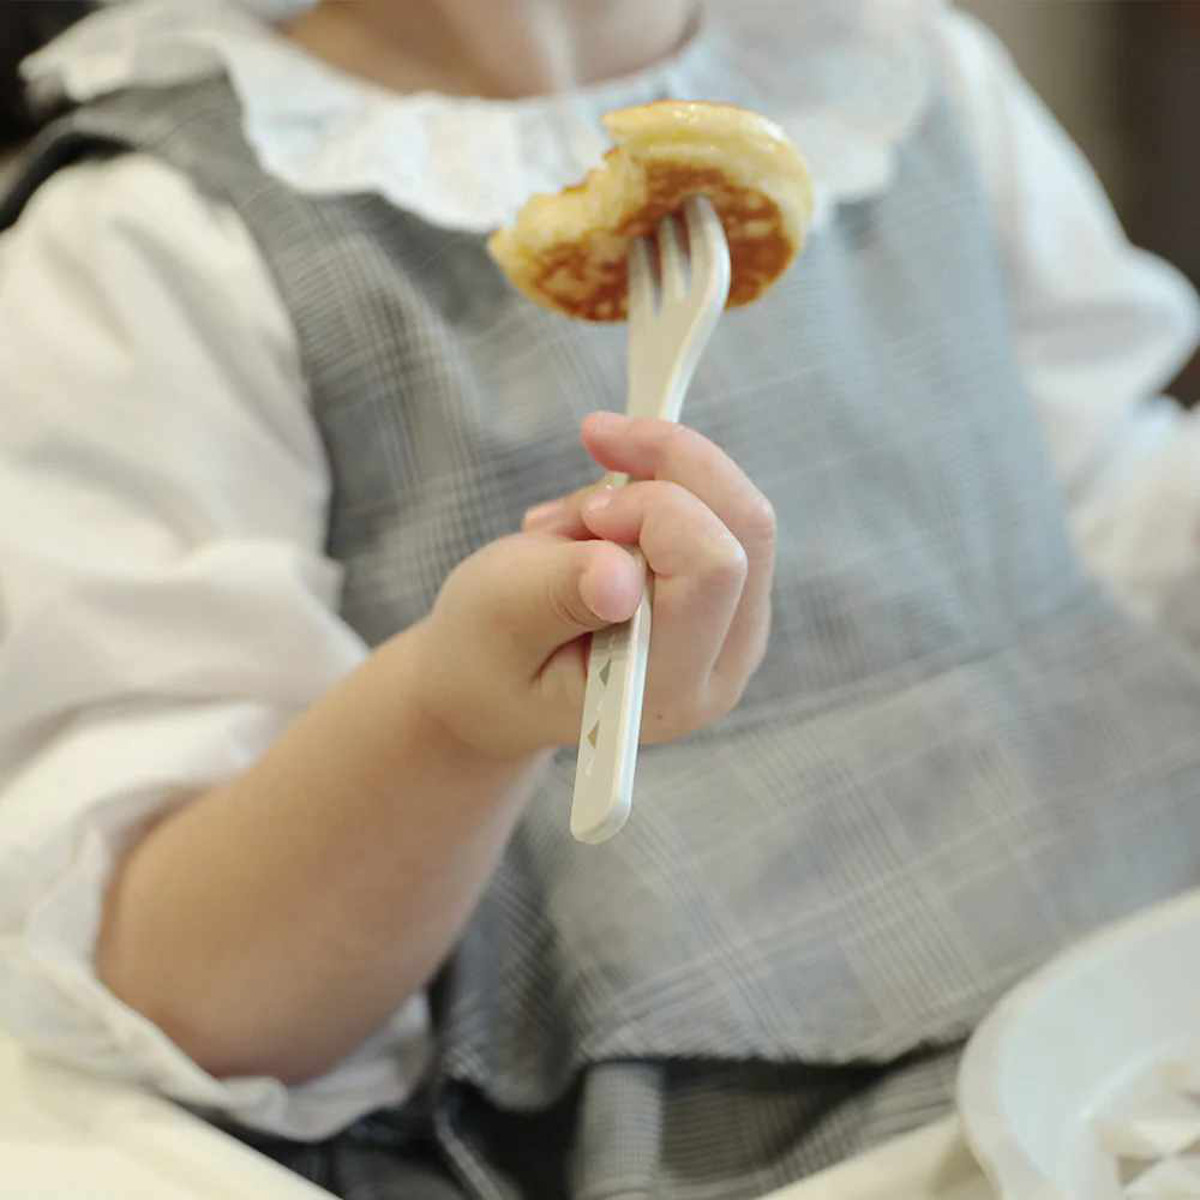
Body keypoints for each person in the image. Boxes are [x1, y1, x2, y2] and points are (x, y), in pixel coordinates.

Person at [3, 0, 1200, 1195]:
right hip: (779, 1127)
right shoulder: (157, 238)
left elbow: (1112, 511)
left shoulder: (898, 69)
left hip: (1154, 967)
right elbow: (188, 998)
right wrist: (450, 718)